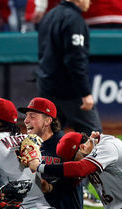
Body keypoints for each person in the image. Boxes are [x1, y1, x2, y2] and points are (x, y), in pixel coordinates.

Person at [36, 0, 102, 135]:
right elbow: (75, 59)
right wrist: (85, 92)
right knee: (94, 138)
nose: (90, 1)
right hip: (68, 90)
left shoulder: (49, 16)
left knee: (51, 137)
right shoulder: (74, 19)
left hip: (47, 86)